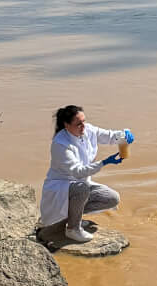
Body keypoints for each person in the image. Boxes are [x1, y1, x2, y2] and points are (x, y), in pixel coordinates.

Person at [38, 104, 135, 248]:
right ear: (66, 125)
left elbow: (109, 136)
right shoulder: (60, 144)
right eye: (78, 124)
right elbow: (78, 172)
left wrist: (123, 135)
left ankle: (72, 218)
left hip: (81, 184)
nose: (83, 126)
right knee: (82, 188)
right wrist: (104, 162)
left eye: (84, 121)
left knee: (112, 198)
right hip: (62, 186)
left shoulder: (88, 130)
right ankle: (73, 229)